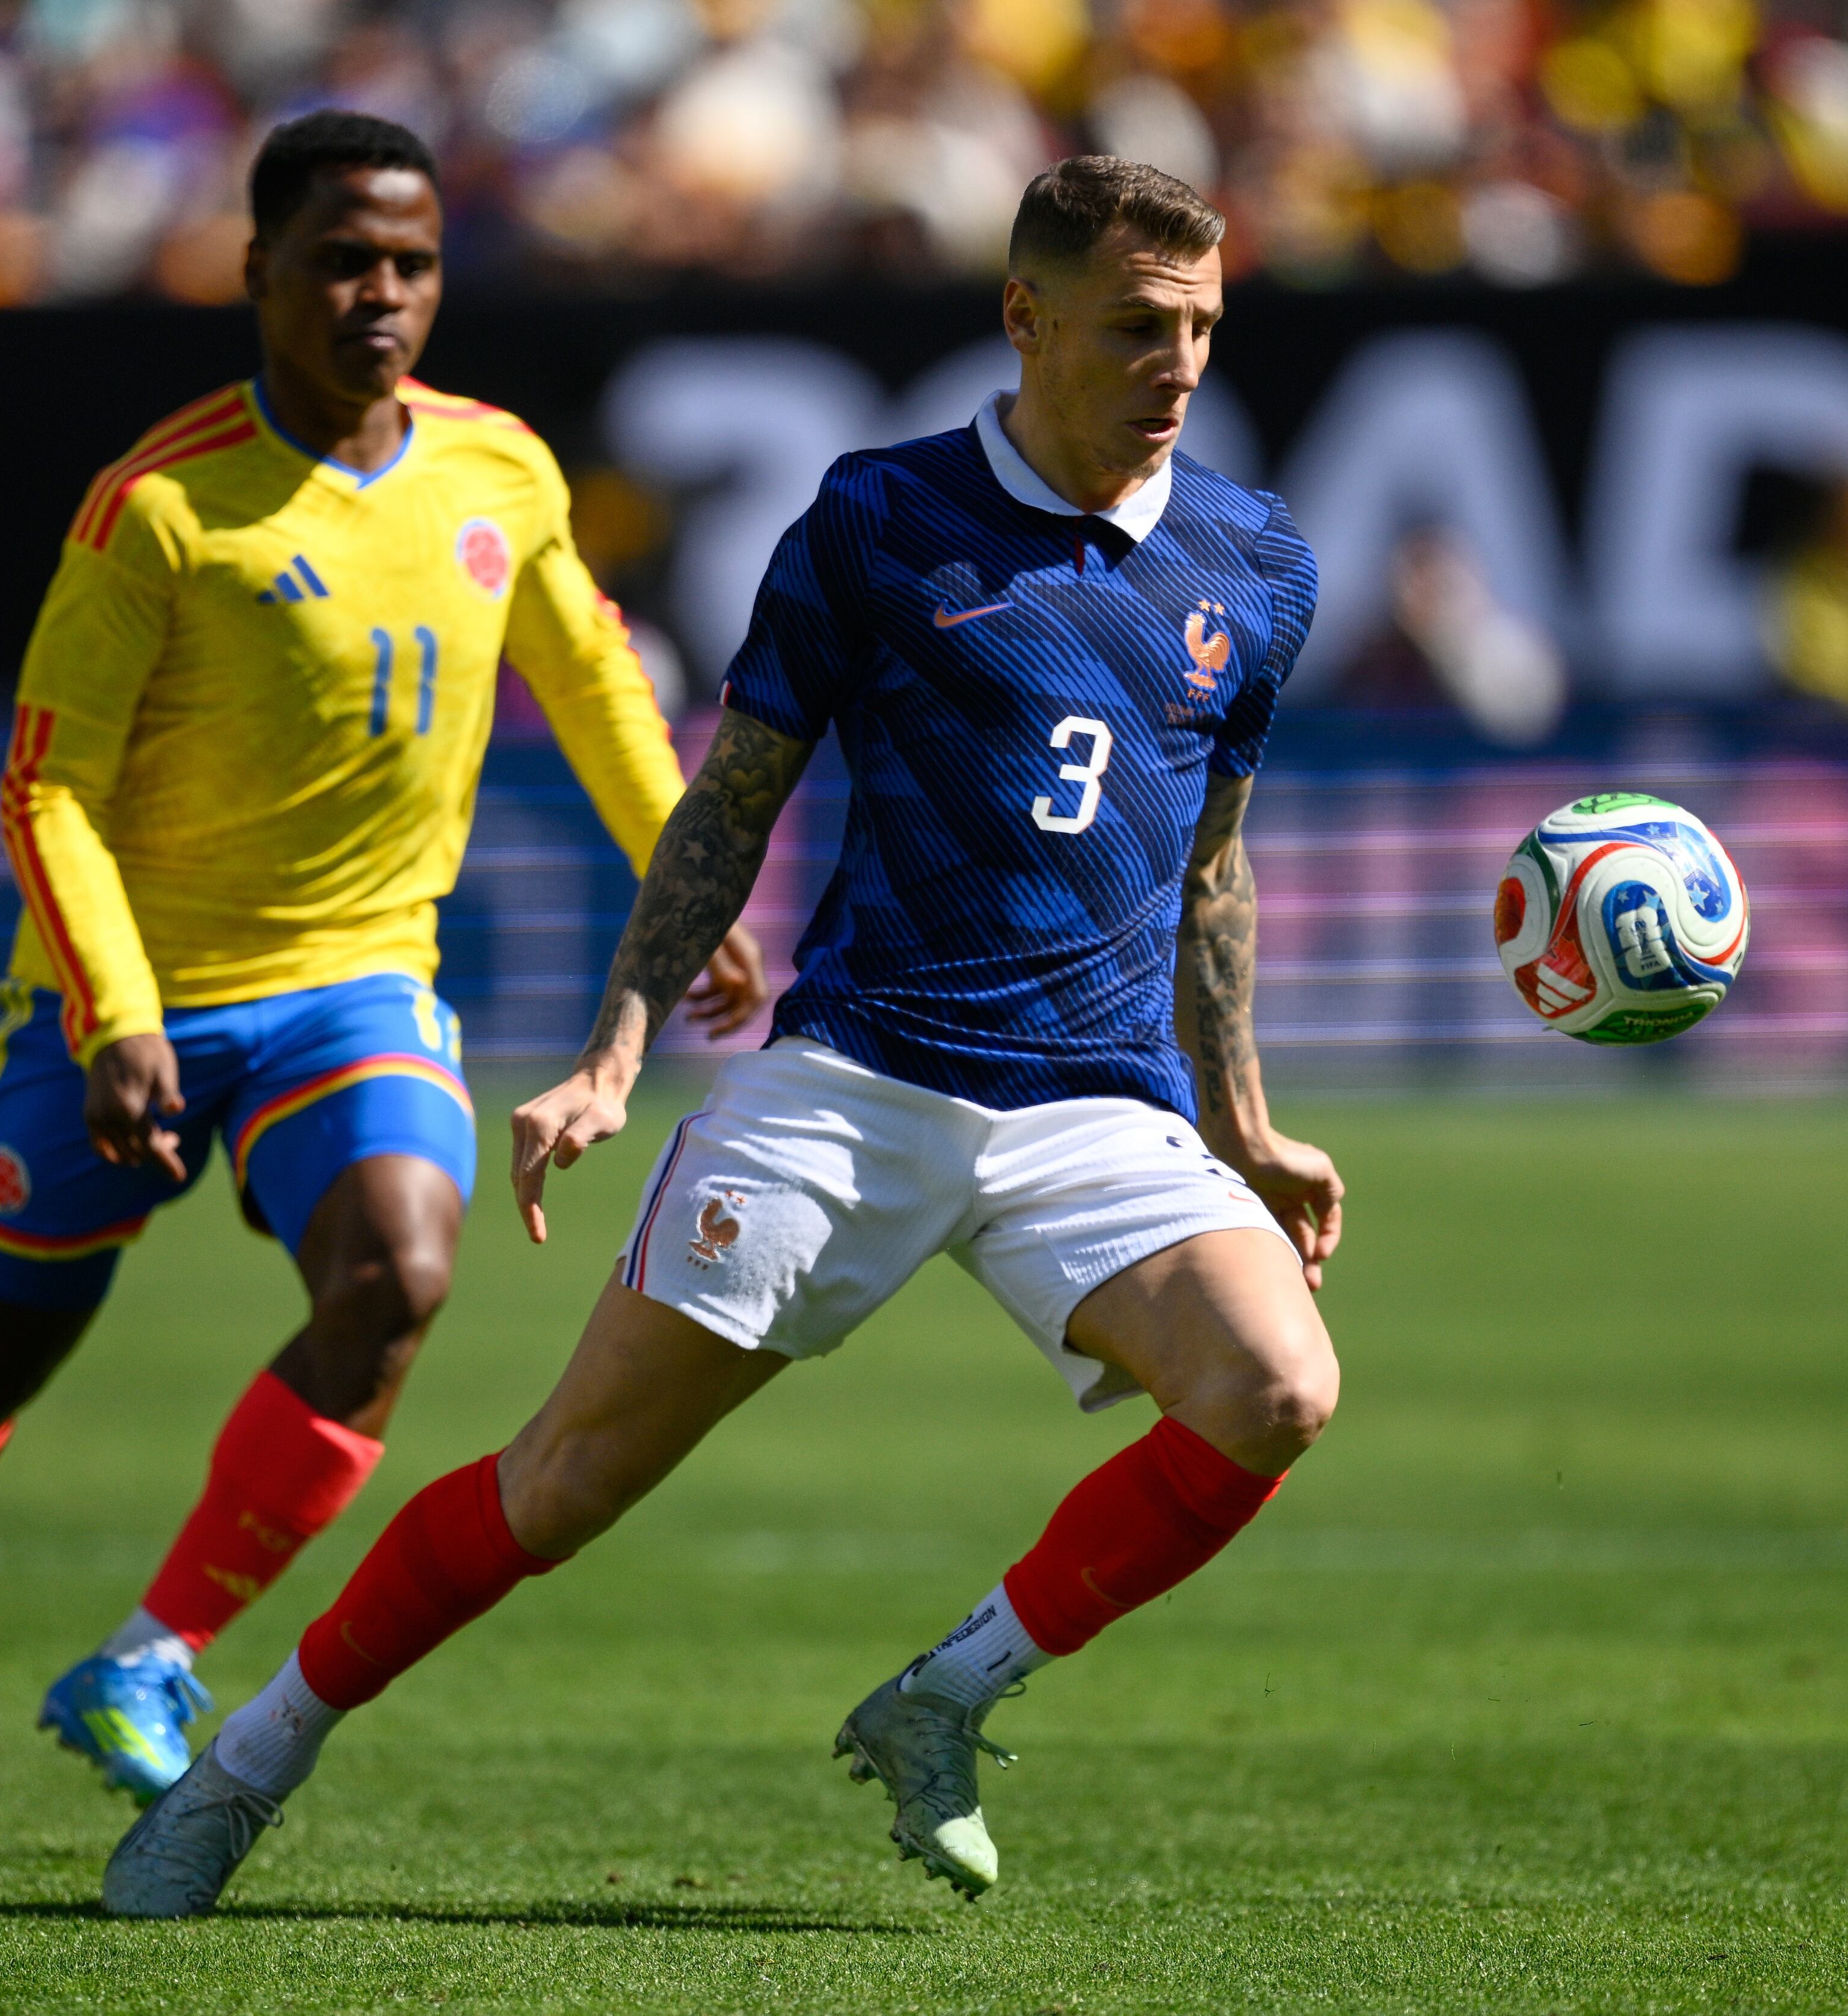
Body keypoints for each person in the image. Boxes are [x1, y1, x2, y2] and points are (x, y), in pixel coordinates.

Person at [97, 155, 1344, 1917]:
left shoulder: (1255, 559)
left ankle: (946, 1696)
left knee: (1278, 1390)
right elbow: (732, 800)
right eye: (1142, 326)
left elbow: (1213, 871)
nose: (1182, 365)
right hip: (857, 1083)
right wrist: (616, 1051)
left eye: (1204, 327)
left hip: (1097, 1103)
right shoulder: (879, 517)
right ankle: (249, 1760)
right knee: (565, 1481)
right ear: (1027, 317)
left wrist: (1248, 1121)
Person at [0, 110, 767, 1823]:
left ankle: (150, 1656)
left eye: (411, 264)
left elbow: (596, 684)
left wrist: (682, 874)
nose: (379, 294)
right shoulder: (159, 508)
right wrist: (114, 1010)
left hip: (357, 983)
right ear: (258, 273)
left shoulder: (500, 471)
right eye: (340, 261)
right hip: (127, 1002)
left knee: (400, 1275)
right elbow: (46, 787)